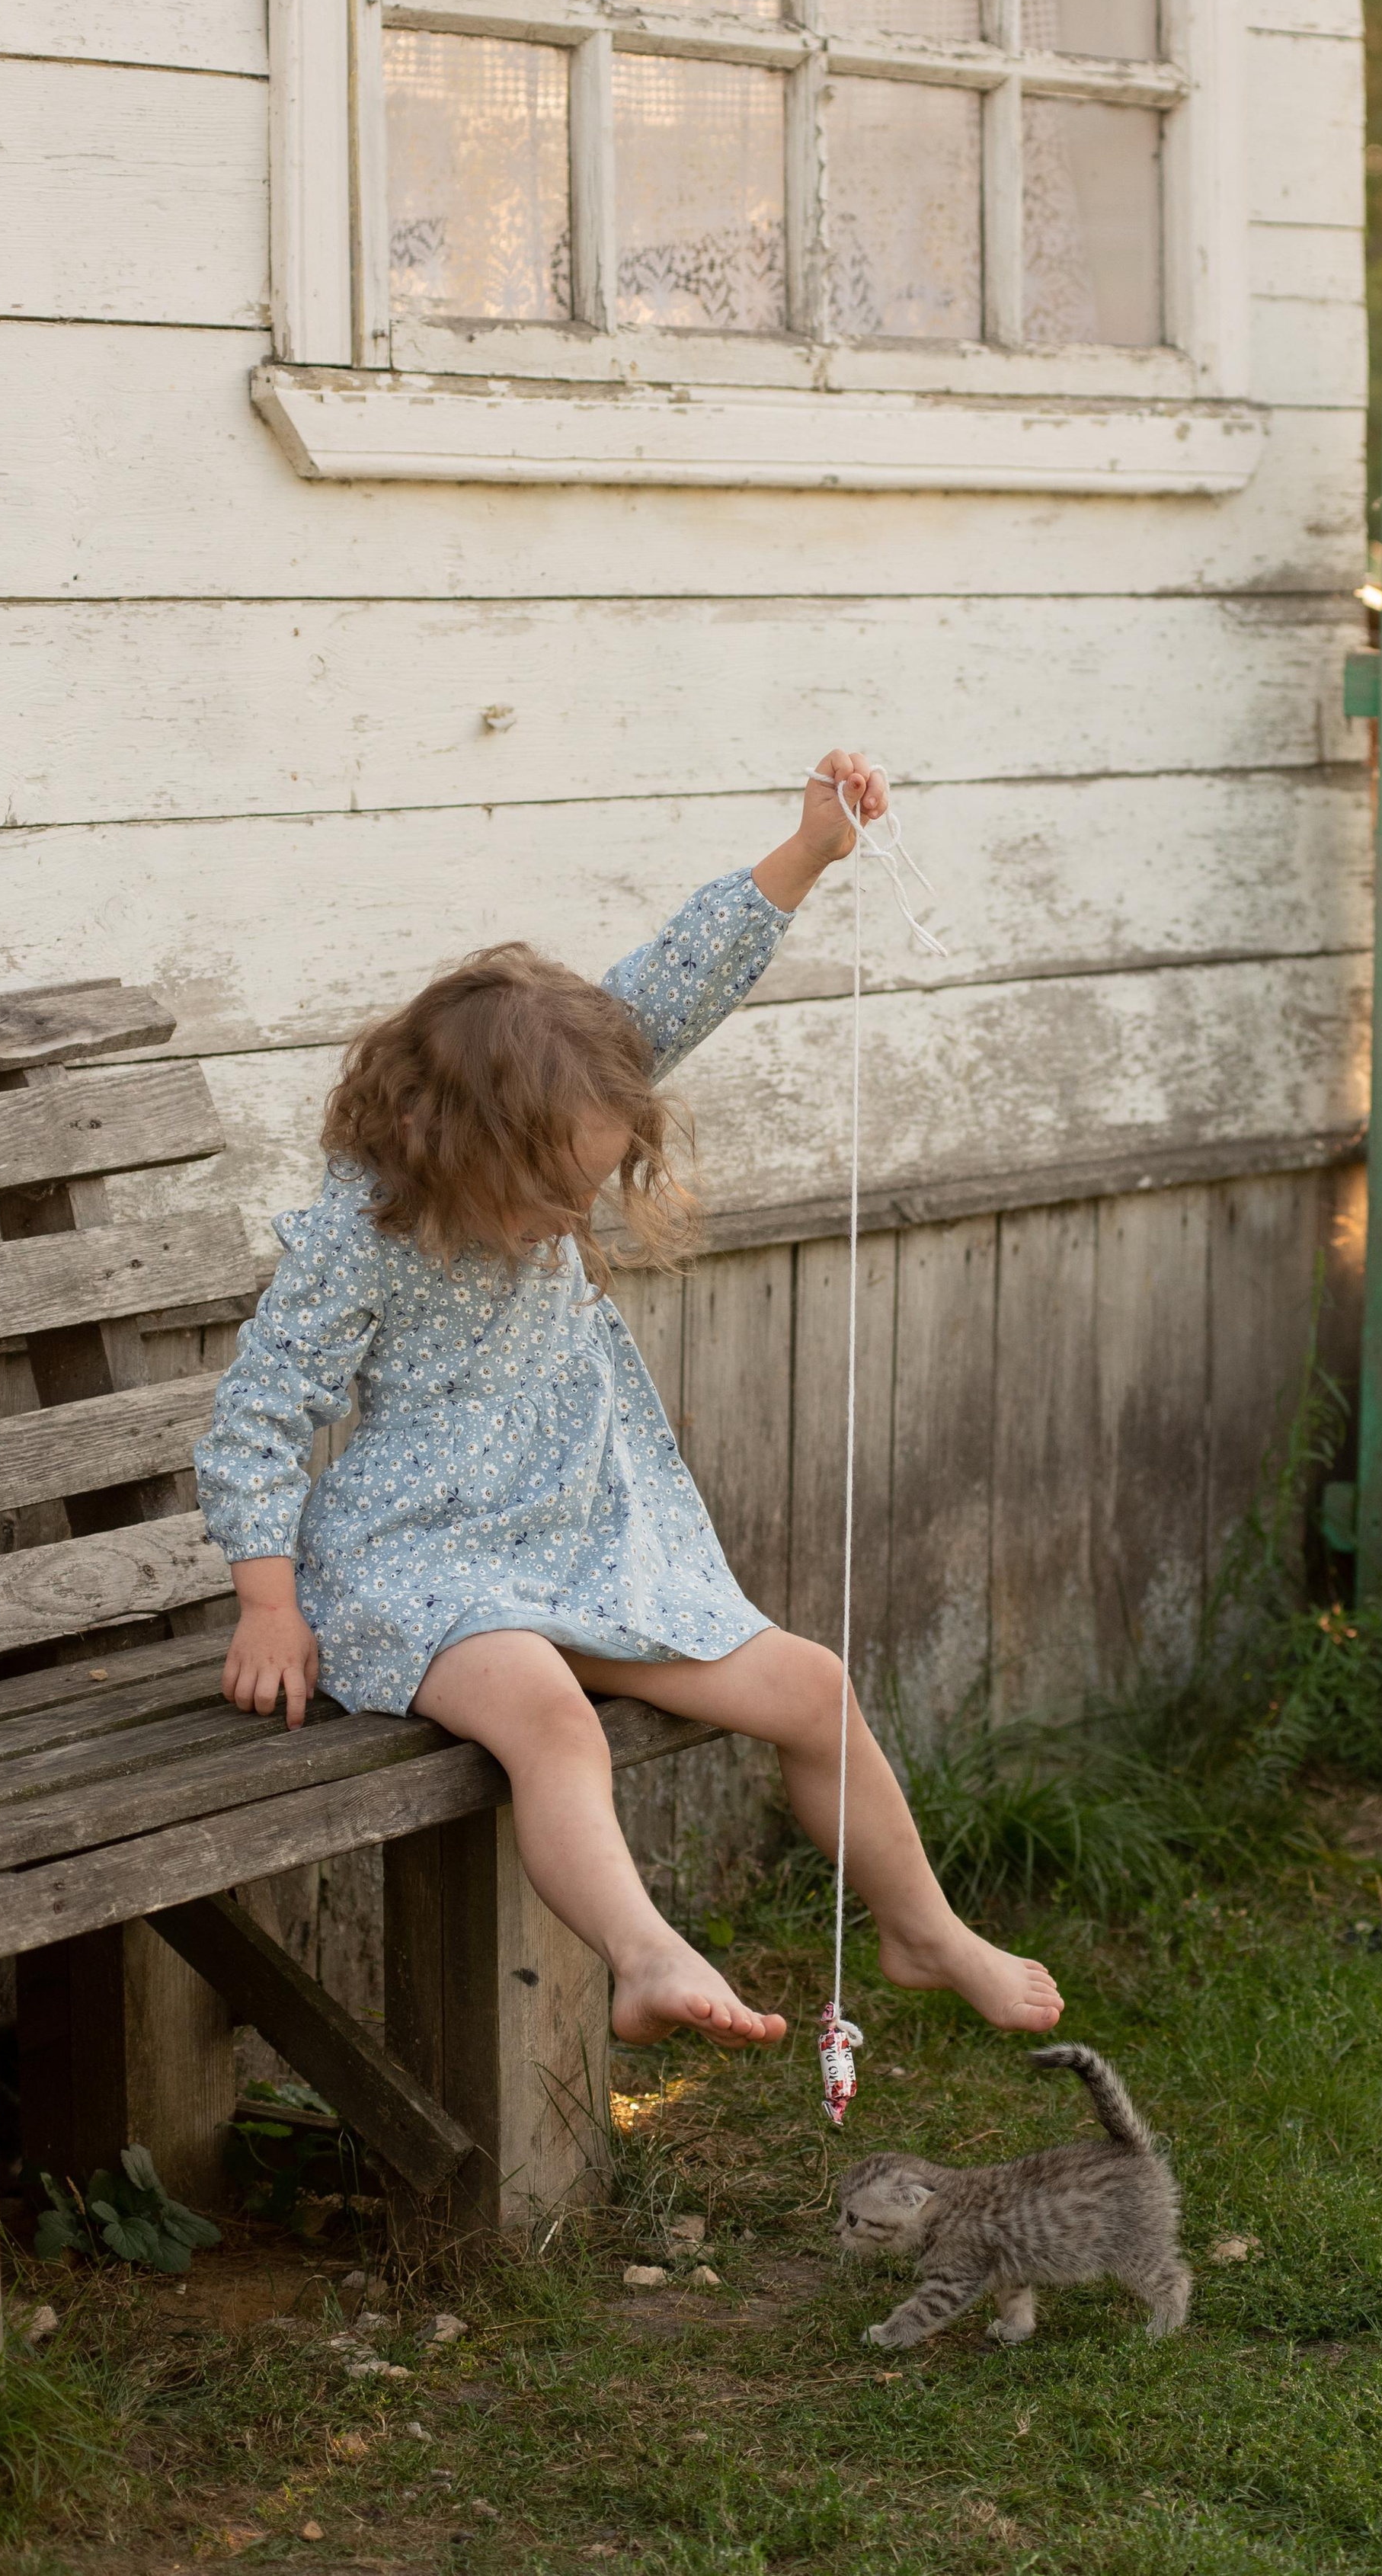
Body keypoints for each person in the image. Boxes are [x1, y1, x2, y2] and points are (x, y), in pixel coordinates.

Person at [195, 753, 1062, 2053]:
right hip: (419, 1568)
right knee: (546, 1712)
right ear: (457, 1148)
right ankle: (648, 1953)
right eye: (553, 1190)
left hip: (586, 1544)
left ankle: (922, 1928)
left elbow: (673, 980)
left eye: (593, 1183)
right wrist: (269, 1600)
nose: (575, 1215)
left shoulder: (559, 1094)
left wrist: (810, 850)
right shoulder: (360, 1233)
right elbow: (260, 1410)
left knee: (814, 1687)